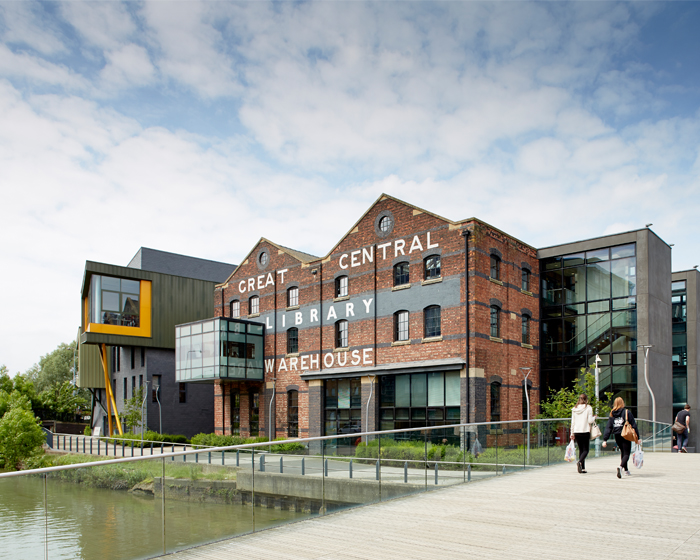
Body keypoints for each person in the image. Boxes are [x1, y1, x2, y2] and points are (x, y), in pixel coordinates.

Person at [602, 397, 640, 478]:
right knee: (626, 453)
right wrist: (638, 437)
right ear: (622, 403)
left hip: (617, 435)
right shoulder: (626, 412)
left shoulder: (612, 413)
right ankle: (621, 467)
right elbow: (634, 425)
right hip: (625, 435)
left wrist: (605, 439)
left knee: (623, 452)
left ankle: (626, 470)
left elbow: (609, 427)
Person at [570, 394, 595, 473]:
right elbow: (590, 421)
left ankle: (582, 468)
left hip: (576, 431)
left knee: (581, 450)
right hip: (585, 431)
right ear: (586, 399)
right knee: (586, 450)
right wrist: (594, 417)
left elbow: (573, 422)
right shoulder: (588, 408)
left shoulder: (575, 409)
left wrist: (572, 433)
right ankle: (580, 462)